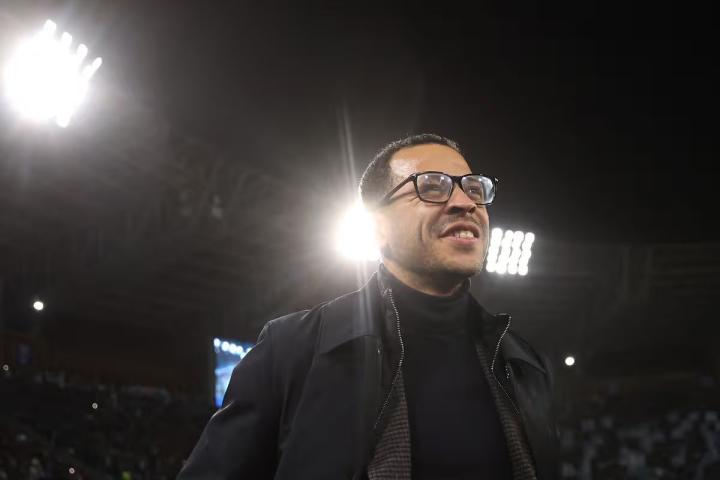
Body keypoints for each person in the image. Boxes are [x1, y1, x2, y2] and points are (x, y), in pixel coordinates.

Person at [177, 134, 558, 479]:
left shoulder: (524, 364)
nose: (465, 203)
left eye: (474, 188)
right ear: (378, 228)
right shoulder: (291, 349)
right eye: (431, 187)